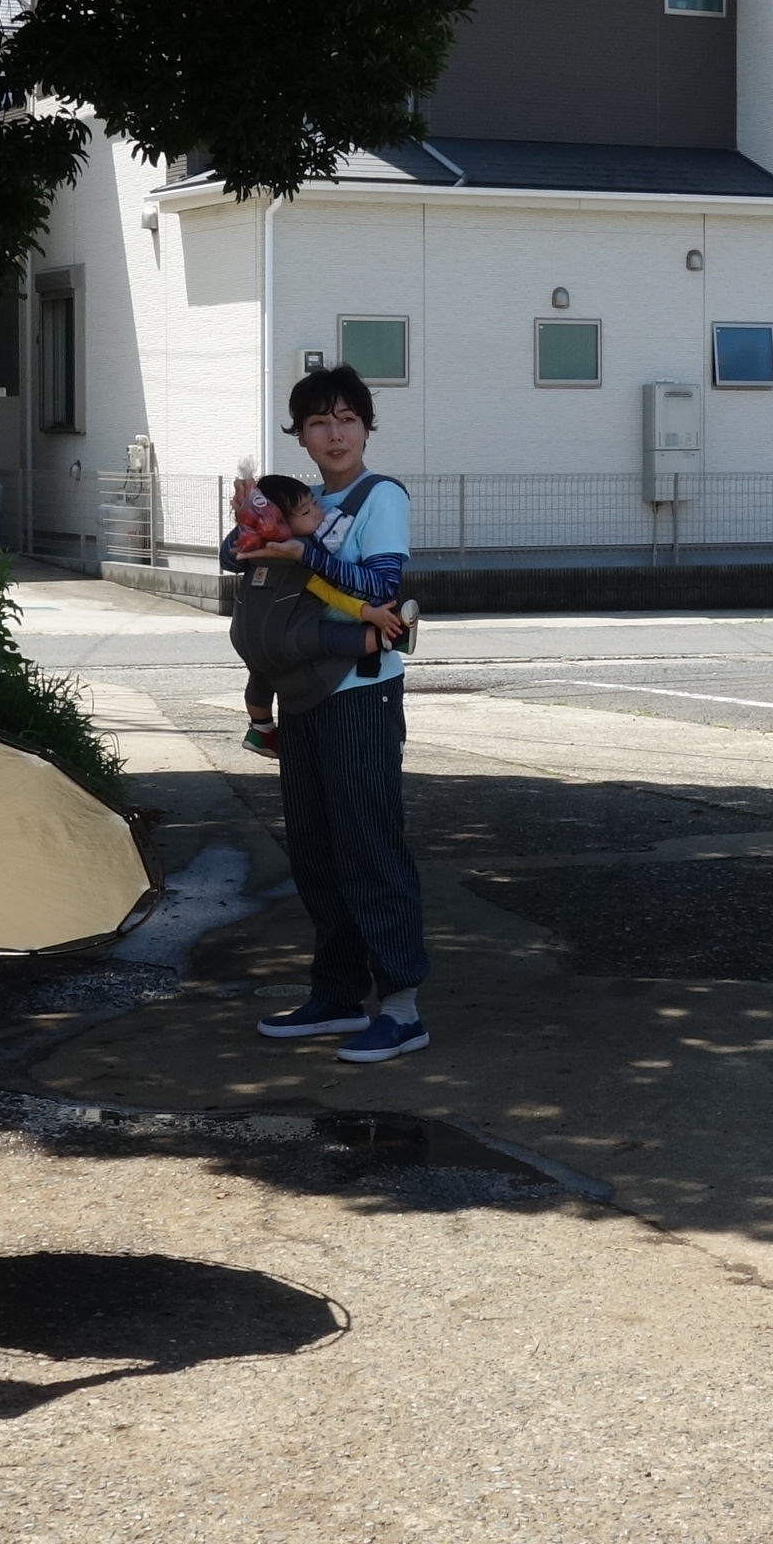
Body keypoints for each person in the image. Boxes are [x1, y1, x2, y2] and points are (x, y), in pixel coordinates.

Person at [242, 364, 430, 1063]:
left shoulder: (381, 496)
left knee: (368, 847)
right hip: (302, 692)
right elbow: (249, 566)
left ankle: (403, 1009)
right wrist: (256, 530)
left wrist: (303, 551)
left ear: (367, 428)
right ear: (300, 435)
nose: (335, 433)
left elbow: (381, 587)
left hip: (362, 691)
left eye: (347, 418)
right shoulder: (304, 501)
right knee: (316, 851)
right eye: (319, 422)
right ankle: (338, 995)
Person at [224, 472, 404, 758]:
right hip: (290, 636)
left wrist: (246, 520)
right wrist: (368, 612)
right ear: (278, 522)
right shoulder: (300, 548)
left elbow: (228, 557)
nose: (318, 512)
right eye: (307, 511)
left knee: (260, 676)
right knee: (332, 637)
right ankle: (388, 636)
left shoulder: (253, 545)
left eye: (315, 504)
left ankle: (261, 728)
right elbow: (331, 593)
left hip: (244, 636)